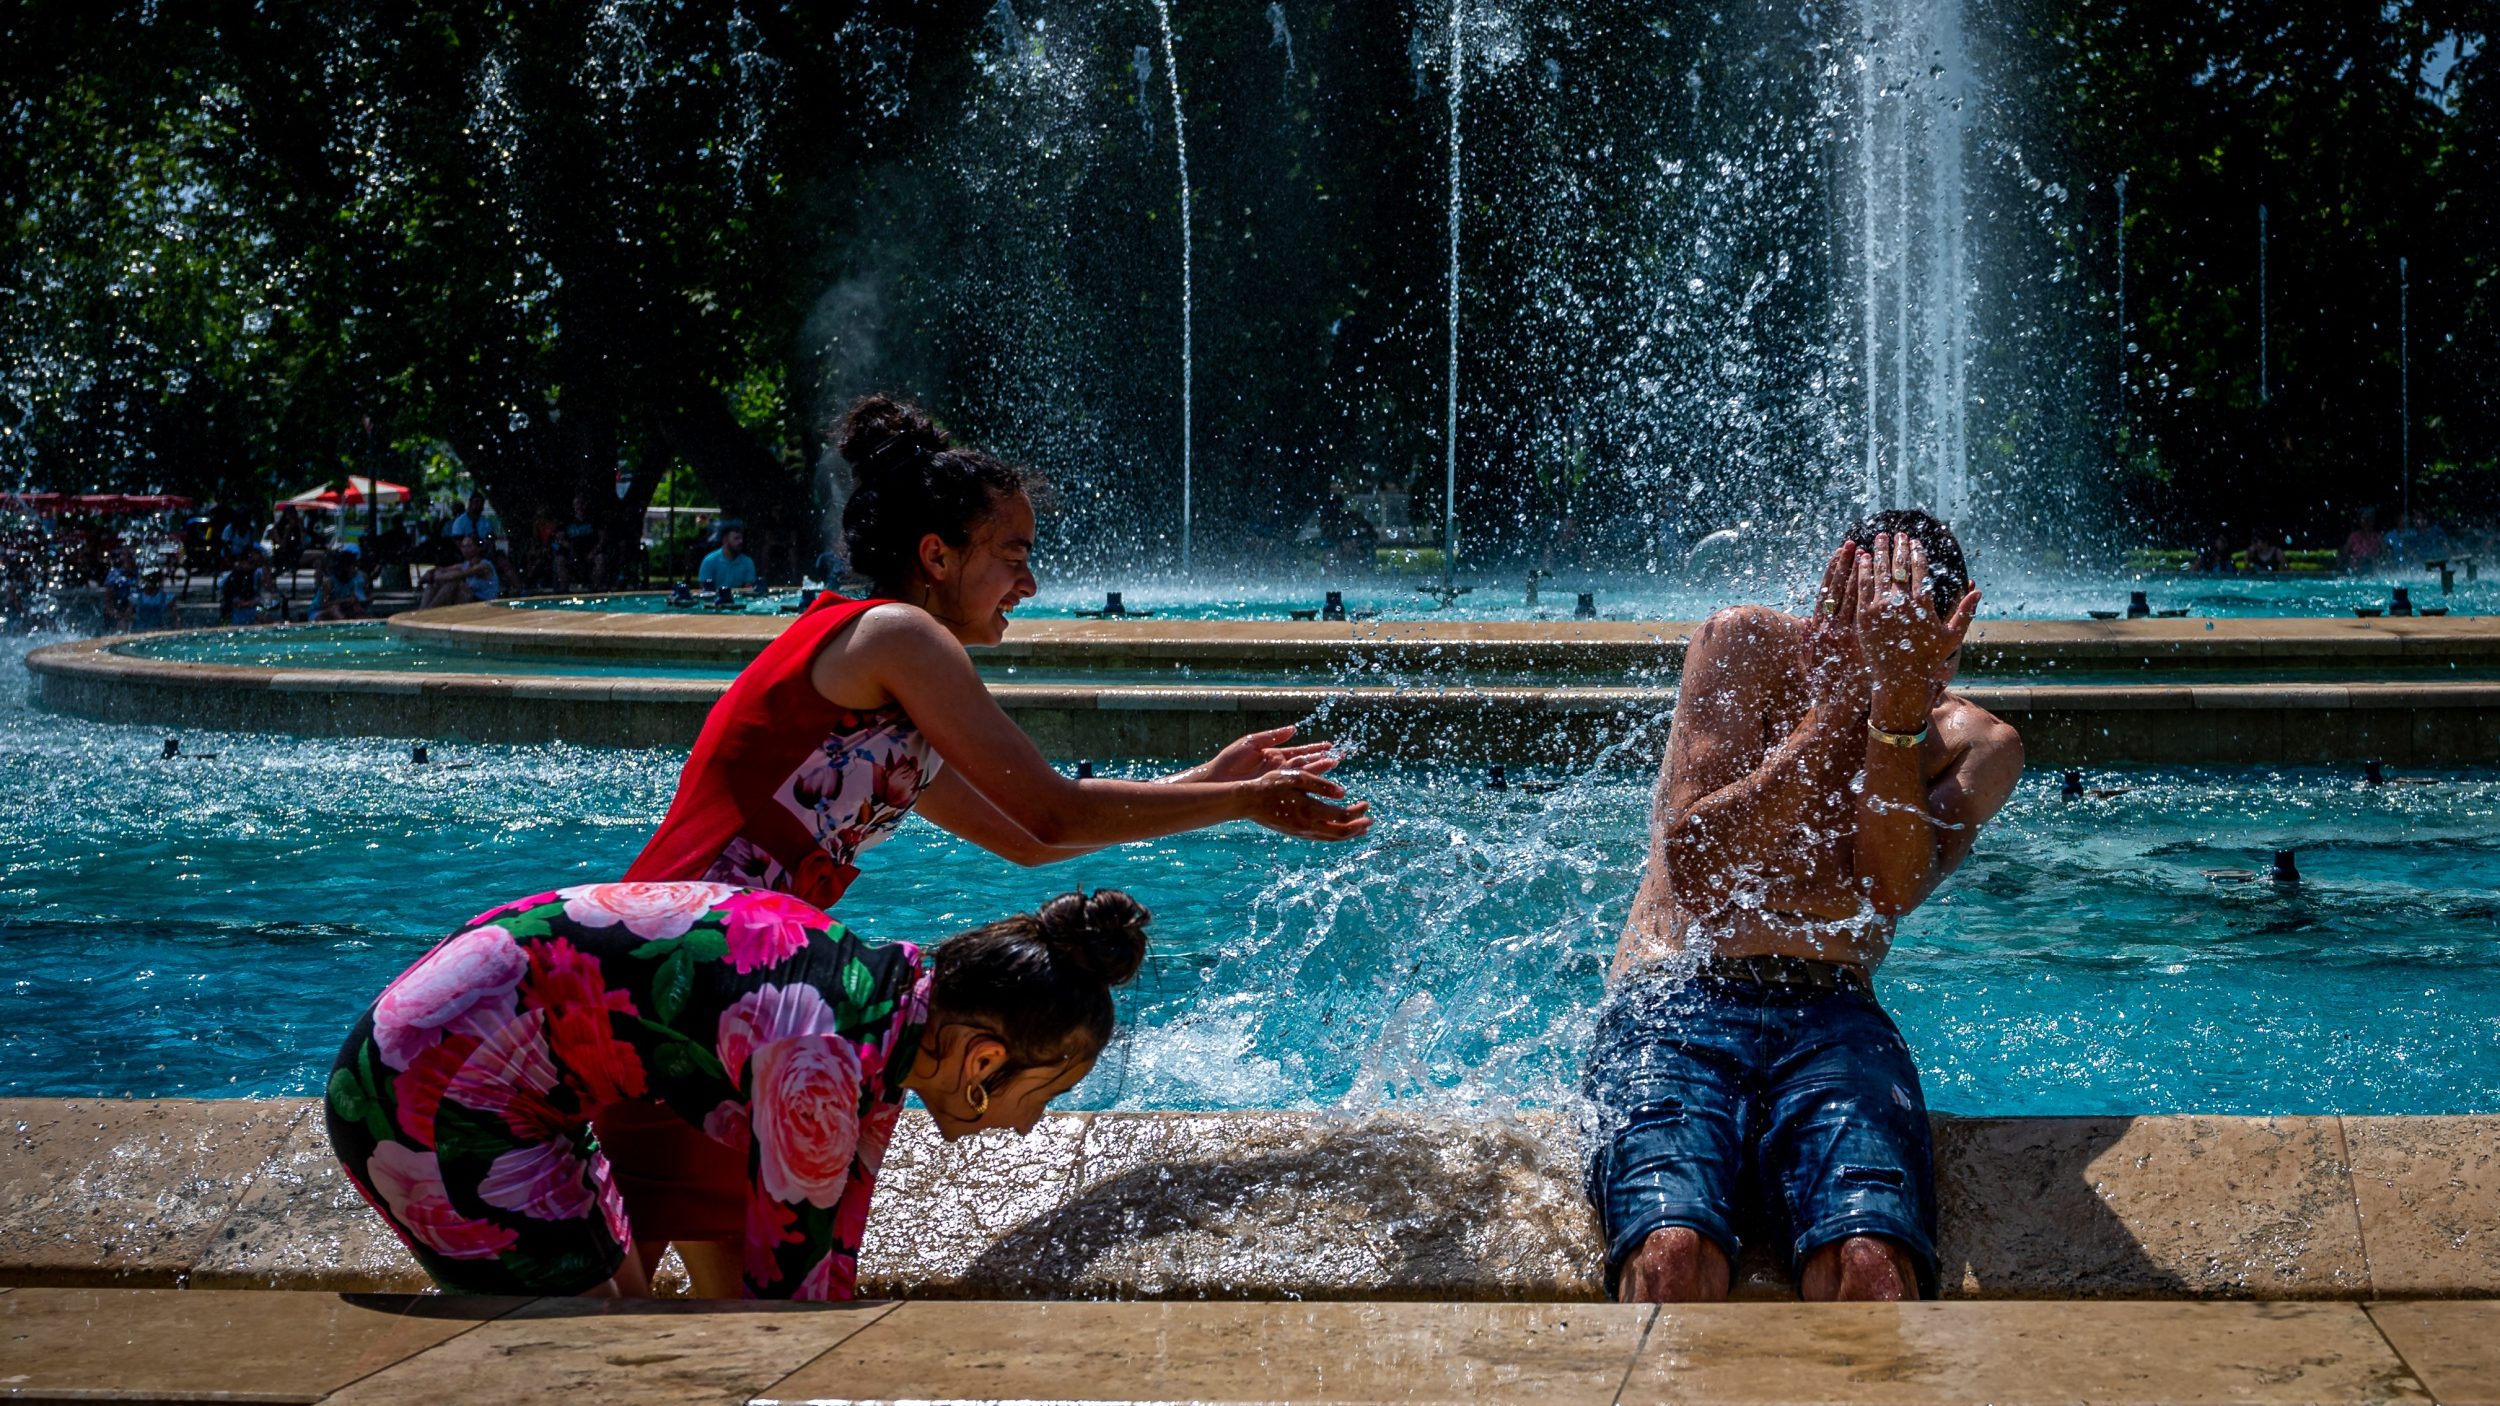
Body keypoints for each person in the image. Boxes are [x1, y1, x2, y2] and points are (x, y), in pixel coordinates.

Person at [598, 393, 1372, 1295]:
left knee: (698, 1303)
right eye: (1013, 554)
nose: (1030, 584)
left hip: (721, 986)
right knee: (634, 1297)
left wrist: (1208, 780)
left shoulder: (890, 705)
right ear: (937, 555)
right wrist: (1241, 799)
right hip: (686, 972)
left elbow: (1029, 841)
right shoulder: (898, 635)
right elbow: (1049, 813)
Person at [1584, 510, 2024, 1304]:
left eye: (1936, 656)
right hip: (1675, 999)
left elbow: (1886, 894)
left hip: (1832, 1014)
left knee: (1871, 1271)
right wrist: (1835, 711)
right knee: (1672, 1260)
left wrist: (1888, 719)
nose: (1920, 674)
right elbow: (1704, 877)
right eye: (1887, 642)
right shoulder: (1742, 645)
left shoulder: (1977, 747)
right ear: (1833, 611)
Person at [327, 881, 1150, 1299]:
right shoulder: (826, 1058)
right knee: (571, 1354)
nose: (1028, 1127)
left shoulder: (892, 1005)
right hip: (429, 1096)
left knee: (611, 1323)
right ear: (982, 1061)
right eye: (1047, 1092)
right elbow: (778, 1309)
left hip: (498, 1085)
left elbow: (827, 1260)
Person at [419, 534, 499, 609]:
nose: (465, 550)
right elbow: (442, 569)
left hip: (485, 602)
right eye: (463, 547)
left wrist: (433, 577)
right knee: (434, 584)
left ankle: (430, 611)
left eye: (469, 546)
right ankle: (422, 611)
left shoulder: (484, 566)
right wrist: (430, 573)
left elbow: (458, 575)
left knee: (455, 584)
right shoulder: (466, 564)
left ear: (478, 548)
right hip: (471, 600)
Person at [554, 494, 607, 591]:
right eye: (577, 504)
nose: (579, 506)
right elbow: (559, 539)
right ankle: (564, 590)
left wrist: (593, 552)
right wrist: (571, 550)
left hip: (590, 552)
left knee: (600, 558)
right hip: (572, 552)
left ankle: (594, 588)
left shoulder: (593, 518)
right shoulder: (567, 520)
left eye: (581, 504)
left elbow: (602, 539)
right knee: (559, 559)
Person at [698, 523, 760, 592]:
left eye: (741, 538)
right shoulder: (709, 561)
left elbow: (749, 591)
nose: (741, 541)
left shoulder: (747, 562)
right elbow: (705, 591)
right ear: (725, 540)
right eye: (736, 538)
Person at [316, 547, 372, 621]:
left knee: (357, 610)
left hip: (340, 610)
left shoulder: (351, 583)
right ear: (345, 568)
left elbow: (353, 600)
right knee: (335, 609)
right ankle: (345, 626)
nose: (355, 570)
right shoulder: (329, 582)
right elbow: (324, 604)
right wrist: (345, 601)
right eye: (353, 567)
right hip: (319, 612)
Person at [221, 546, 270, 625]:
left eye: (256, 563)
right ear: (242, 562)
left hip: (249, 611)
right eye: (251, 563)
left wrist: (265, 565)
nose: (254, 566)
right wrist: (255, 602)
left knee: (267, 619)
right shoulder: (233, 577)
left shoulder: (252, 574)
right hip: (236, 615)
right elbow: (236, 603)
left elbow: (270, 588)